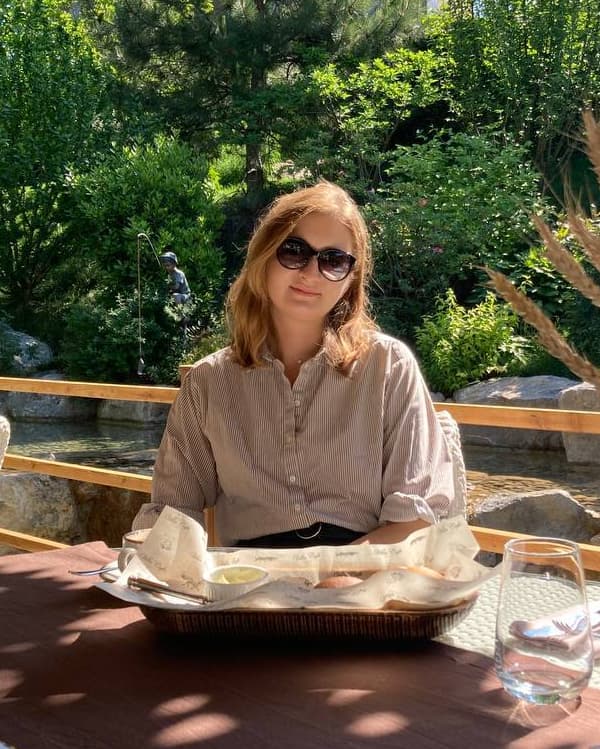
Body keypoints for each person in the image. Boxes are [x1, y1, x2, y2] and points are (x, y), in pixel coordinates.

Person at [133, 181, 454, 547]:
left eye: (333, 260)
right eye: (294, 251)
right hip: (249, 576)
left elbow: (414, 521)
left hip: (367, 568)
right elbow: (172, 512)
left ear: (351, 278)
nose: (311, 273)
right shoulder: (208, 383)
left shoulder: (388, 367)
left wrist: (332, 574)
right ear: (264, 256)